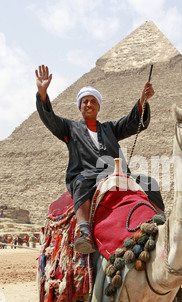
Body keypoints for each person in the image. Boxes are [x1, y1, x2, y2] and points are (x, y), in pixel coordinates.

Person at [35, 65, 164, 254]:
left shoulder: (110, 129)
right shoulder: (69, 129)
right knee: (81, 182)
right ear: (80, 107)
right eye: (85, 101)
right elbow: (50, 119)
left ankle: (161, 221)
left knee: (149, 182)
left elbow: (132, 122)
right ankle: (85, 232)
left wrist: (143, 101)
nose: (88, 104)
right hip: (87, 176)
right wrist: (42, 93)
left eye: (93, 101)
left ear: (98, 107)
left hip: (116, 175)